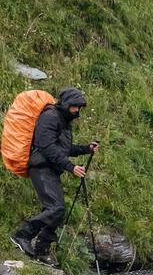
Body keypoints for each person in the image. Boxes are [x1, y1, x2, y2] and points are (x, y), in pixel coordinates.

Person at [11, 87, 98, 263]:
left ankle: (42, 250)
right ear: (66, 104)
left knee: (57, 211)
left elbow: (64, 149)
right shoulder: (50, 117)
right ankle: (22, 236)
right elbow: (47, 147)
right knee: (55, 208)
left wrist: (85, 149)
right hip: (41, 167)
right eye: (75, 107)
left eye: (80, 108)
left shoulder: (64, 121)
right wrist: (70, 167)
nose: (77, 111)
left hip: (51, 169)